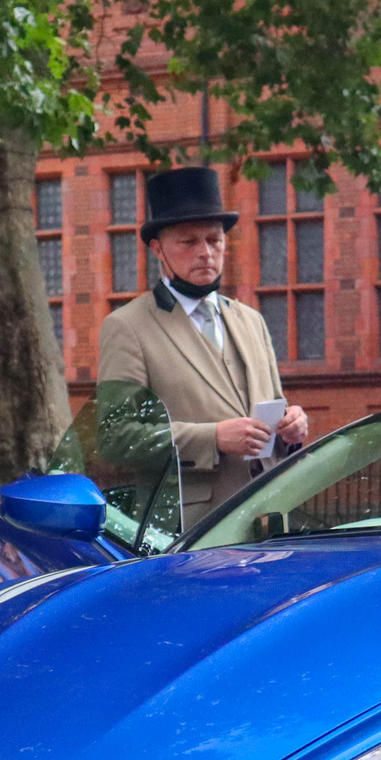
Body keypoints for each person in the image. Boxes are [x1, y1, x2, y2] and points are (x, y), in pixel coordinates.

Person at [96, 166, 308, 517]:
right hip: (193, 528)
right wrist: (212, 438)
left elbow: (270, 413)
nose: (206, 252)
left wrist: (291, 427)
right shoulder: (127, 326)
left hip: (269, 517)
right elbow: (115, 438)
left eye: (214, 240)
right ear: (158, 249)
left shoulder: (251, 320)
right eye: (189, 242)